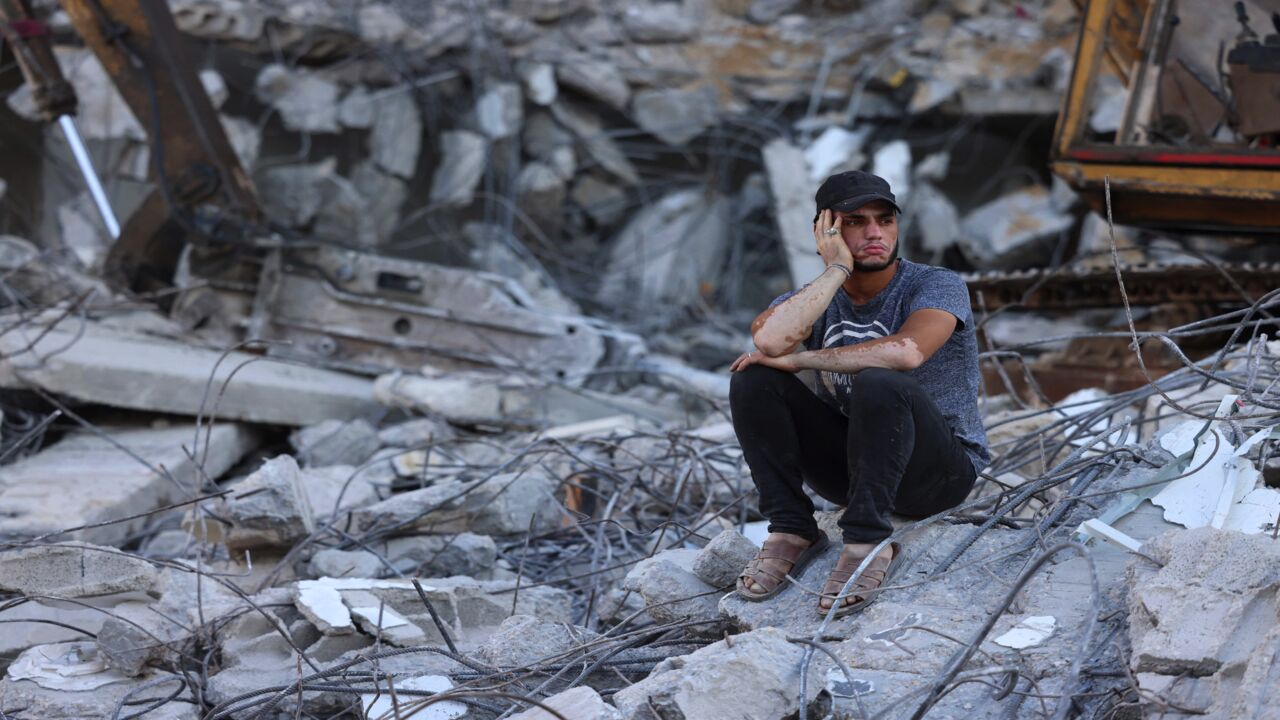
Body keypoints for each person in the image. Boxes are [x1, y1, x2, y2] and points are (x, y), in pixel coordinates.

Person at [729, 170, 989, 617]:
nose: (874, 233)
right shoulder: (815, 296)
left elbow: (907, 354)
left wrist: (803, 360)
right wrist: (836, 269)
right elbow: (769, 344)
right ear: (825, 231)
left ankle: (868, 539)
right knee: (754, 379)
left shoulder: (935, 284)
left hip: (938, 474)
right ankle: (793, 530)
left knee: (880, 379)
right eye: (855, 222)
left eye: (884, 220)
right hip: (856, 470)